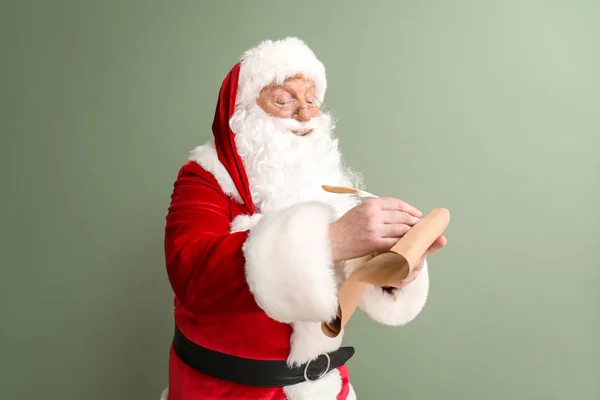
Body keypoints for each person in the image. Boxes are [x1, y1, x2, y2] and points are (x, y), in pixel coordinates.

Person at [160, 37, 447, 400]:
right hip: (226, 391)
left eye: (311, 101)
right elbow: (193, 273)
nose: (305, 114)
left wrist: (394, 266)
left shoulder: (321, 177)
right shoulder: (205, 177)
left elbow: (353, 277)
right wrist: (331, 240)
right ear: (243, 110)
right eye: (284, 101)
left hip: (323, 388)